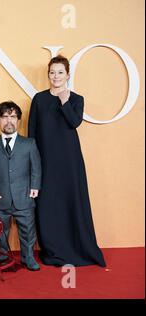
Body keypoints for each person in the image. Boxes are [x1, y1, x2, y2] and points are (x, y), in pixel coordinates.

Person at [28, 55, 106, 267]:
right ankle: (53, 249)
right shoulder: (39, 99)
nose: (56, 76)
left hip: (69, 161)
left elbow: (74, 122)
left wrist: (64, 101)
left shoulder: (76, 98)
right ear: (48, 75)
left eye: (60, 72)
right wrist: (33, 162)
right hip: (45, 160)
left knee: (71, 201)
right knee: (48, 205)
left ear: (68, 75)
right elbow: (32, 132)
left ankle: (77, 247)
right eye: (52, 72)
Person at [0, 101, 42, 271]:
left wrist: (35, 186)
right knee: (1, 230)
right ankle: (2, 254)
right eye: (4, 117)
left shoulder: (29, 144)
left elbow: (36, 167)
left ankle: (28, 257)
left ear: (18, 121)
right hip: (0, 197)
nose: (9, 121)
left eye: (13, 117)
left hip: (24, 196)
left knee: (28, 230)